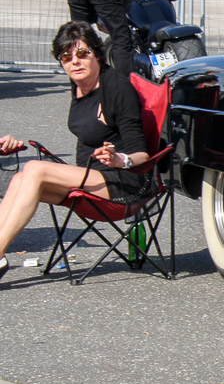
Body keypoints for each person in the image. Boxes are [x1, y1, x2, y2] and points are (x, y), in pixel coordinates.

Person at [0, 21, 150, 282]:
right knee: (21, 178)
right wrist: (16, 146)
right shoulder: (81, 86)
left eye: (83, 54)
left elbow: (142, 155)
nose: (75, 62)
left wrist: (119, 159)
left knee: (34, 169)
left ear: (97, 53)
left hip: (124, 185)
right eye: (66, 57)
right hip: (91, 178)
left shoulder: (116, 88)